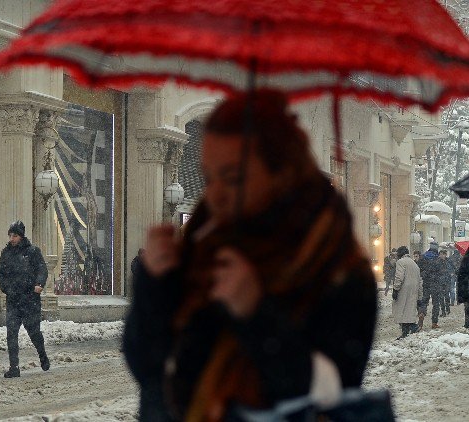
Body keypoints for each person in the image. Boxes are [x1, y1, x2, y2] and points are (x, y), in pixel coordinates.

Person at [123, 90, 377, 421]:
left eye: (233, 177)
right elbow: (148, 367)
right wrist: (154, 286)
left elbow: (330, 390)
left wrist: (255, 313)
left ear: (283, 173)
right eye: (208, 177)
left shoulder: (334, 265)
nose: (214, 194)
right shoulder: (203, 250)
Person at [0, 220, 50, 378]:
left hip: (29, 299)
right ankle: (14, 367)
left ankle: (42, 355)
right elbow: (1, 274)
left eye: (15, 235)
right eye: (10, 235)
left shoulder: (32, 251)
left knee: (34, 332)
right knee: (11, 334)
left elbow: (42, 268)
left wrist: (39, 284)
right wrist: (6, 288)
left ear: (21, 236)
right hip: (13, 300)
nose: (11, 238)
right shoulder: (5, 253)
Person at [392, 246, 423, 340]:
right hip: (414, 289)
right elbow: (420, 280)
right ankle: (405, 333)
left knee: (401, 310)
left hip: (404, 289)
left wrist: (395, 289)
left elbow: (399, 277)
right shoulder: (414, 264)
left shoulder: (401, 262)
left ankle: (412, 327)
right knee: (408, 310)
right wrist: (419, 295)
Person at [418, 241, 444, 330]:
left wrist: (424, 274)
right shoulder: (438, 259)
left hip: (426, 283)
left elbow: (419, 269)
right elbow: (442, 272)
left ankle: (421, 313)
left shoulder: (423, 257)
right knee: (436, 304)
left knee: (424, 301)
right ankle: (434, 322)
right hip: (436, 284)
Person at [457, 251, 469, 329]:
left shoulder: (465, 259)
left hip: (466, 287)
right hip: (467, 286)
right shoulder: (465, 260)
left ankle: (467, 323)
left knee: (467, 307)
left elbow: (460, 275)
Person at [439, 250, 452, 317]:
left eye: (442, 254)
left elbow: (452, 269)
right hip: (440, 281)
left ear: (445, 254)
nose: (441, 256)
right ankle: (443, 311)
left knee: (447, 296)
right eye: (440, 254)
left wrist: (451, 273)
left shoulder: (448, 261)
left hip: (447, 281)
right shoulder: (438, 262)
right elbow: (436, 270)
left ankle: (448, 309)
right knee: (441, 297)